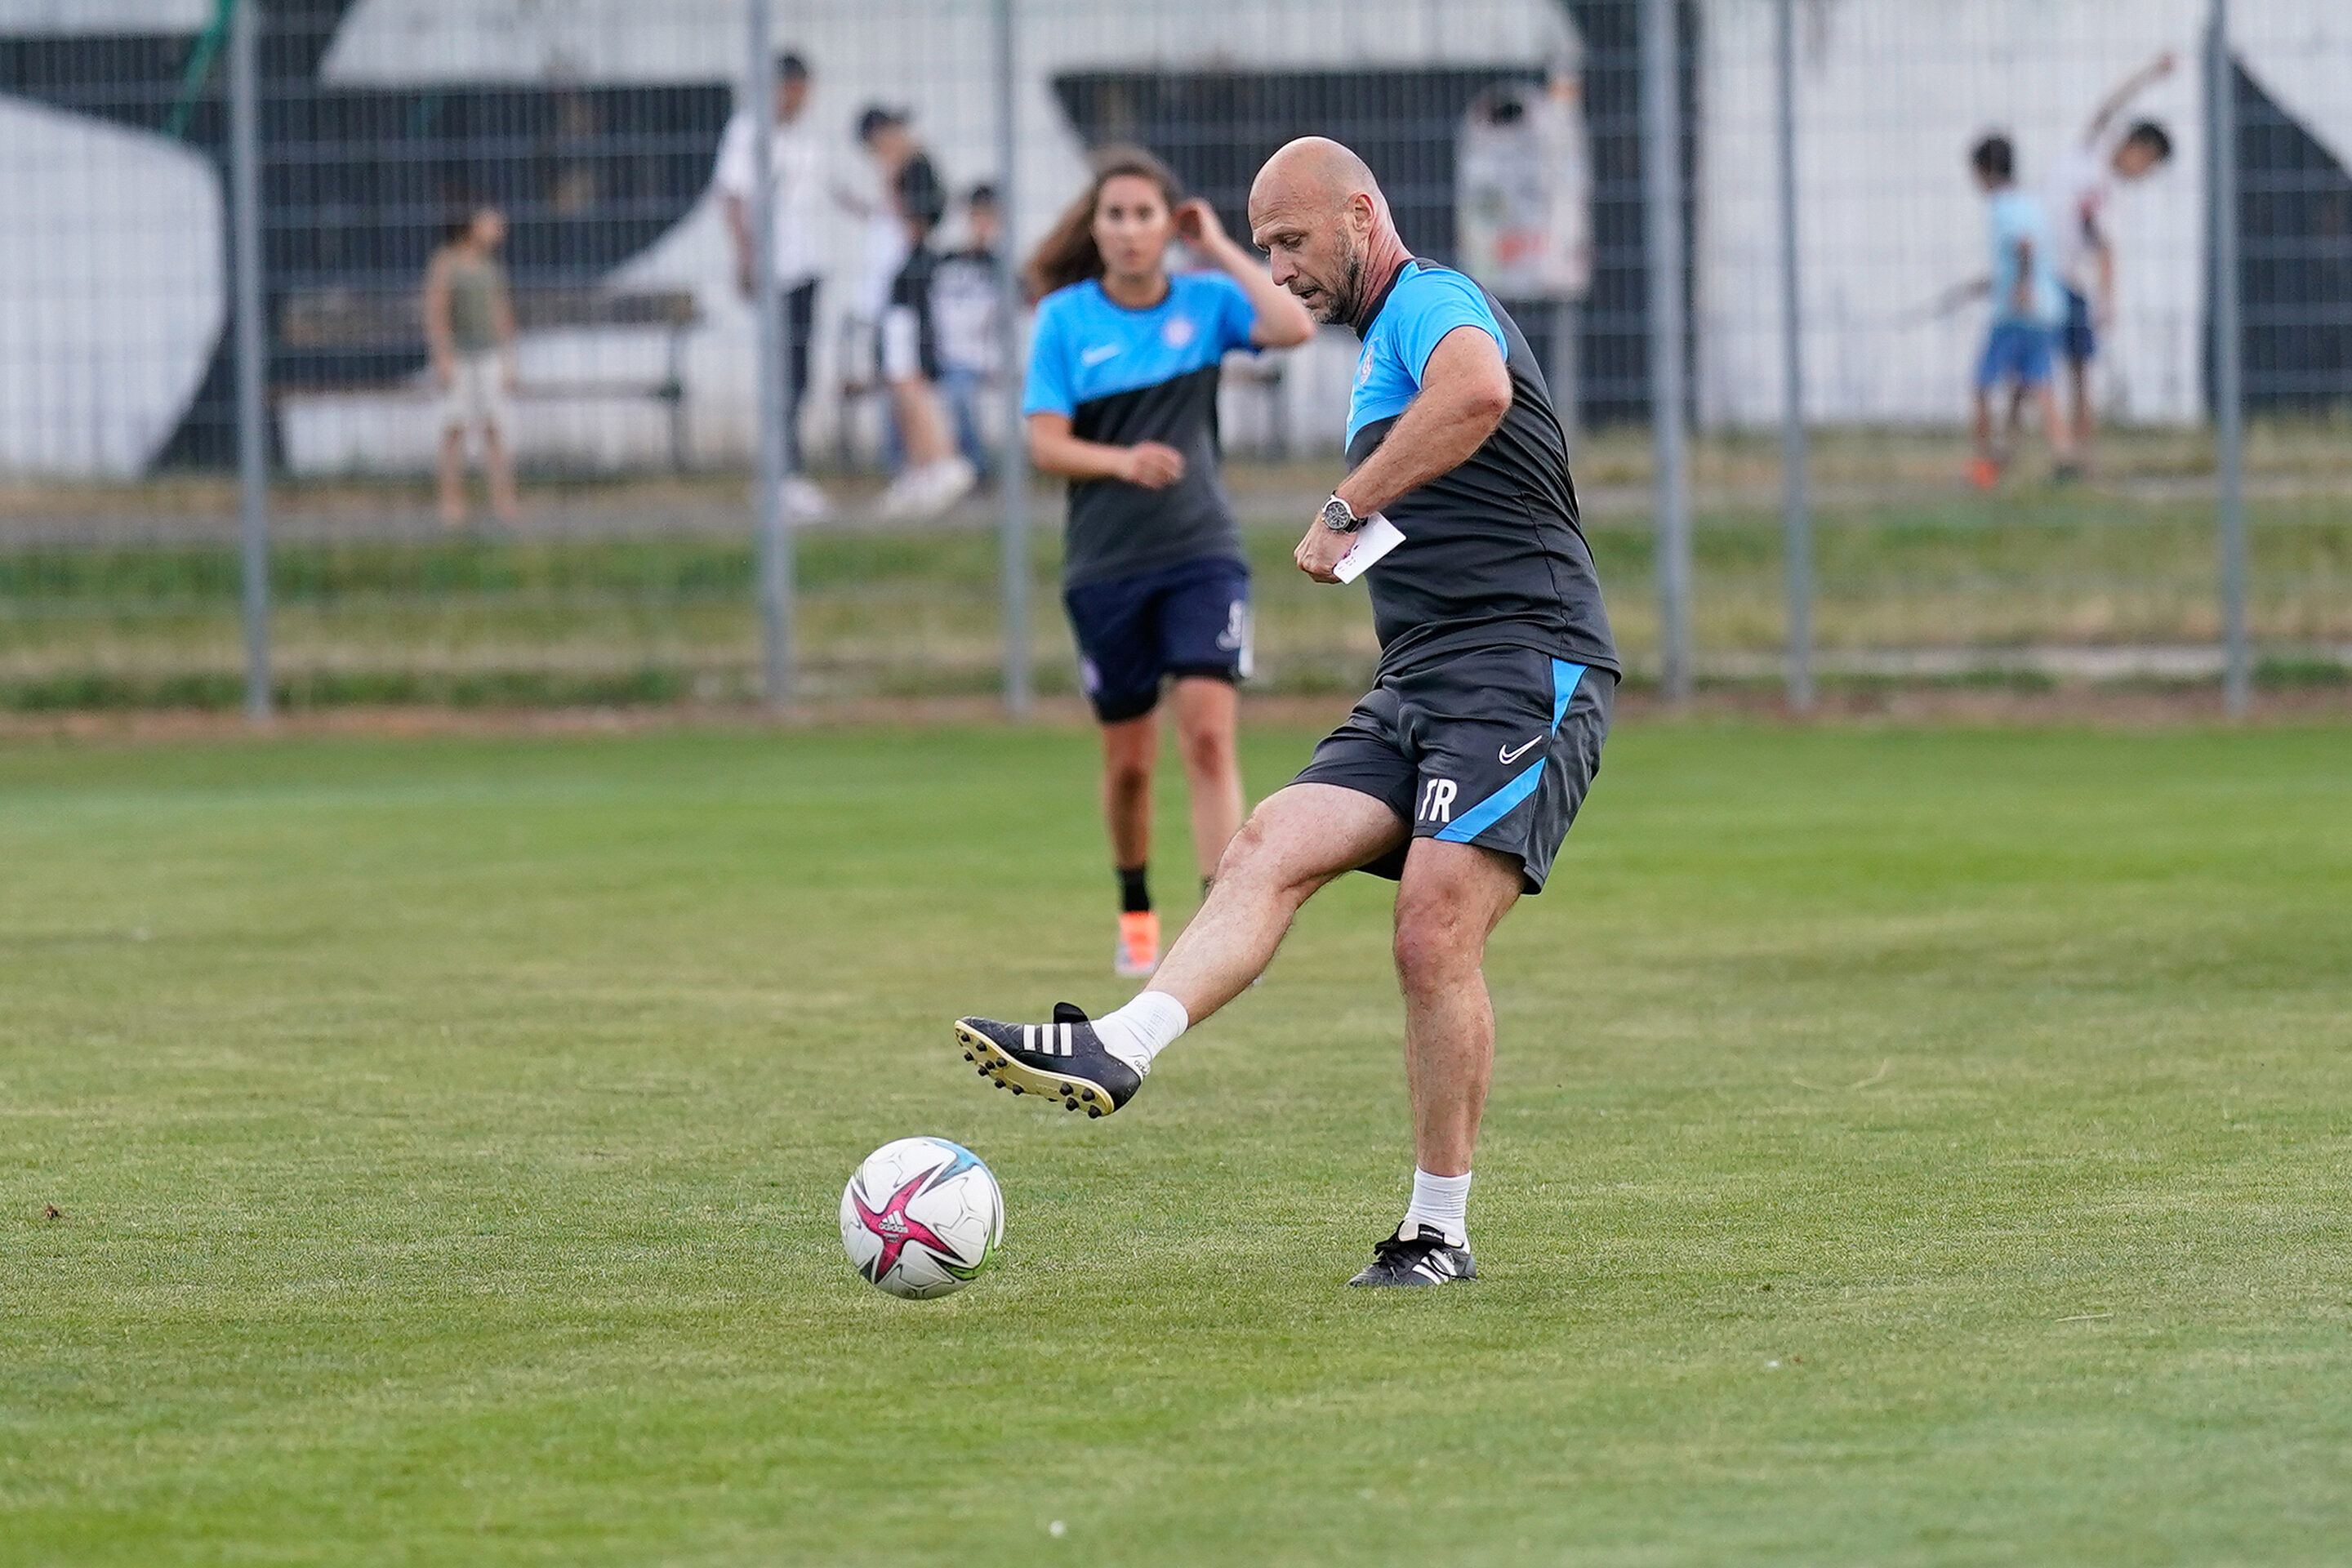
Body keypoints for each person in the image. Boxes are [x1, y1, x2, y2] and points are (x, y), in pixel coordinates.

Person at [953, 137, 1618, 1289]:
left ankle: (1438, 1231)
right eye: (1265, 247)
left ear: (1363, 214)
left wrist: (1345, 501)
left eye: (1294, 242)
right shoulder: (1374, 351)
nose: (1282, 267)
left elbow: (1479, 391)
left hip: (1525, 666)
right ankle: (1121, 1046)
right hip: (1419, 677)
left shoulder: (1430, 301)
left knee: (1430, 929)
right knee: (1265, 841)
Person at [1013, 147, 1313, 978]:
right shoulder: (1067, 319)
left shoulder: (1208, 300)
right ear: (1096, 227)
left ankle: (1225, 923)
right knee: (1131, 767)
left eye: (1147, 215)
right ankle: (1137, 911)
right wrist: (1122, 461)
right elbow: (1043, 442)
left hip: (1201, 553)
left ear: (1165, 225)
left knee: (1211, 739)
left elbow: (1291, 328)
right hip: (1105, 568)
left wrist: (1217, 245)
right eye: (1115, 215)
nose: (1131, 230)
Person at [713, 51, 831, 522]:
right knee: (782, 373)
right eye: (796, 90)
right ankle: (781, 475)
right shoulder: (746, 134)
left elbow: (828, 190)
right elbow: (733, 196)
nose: (802, 100)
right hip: (774, 271)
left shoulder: (805, 139)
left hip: (809, 267)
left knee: (800, 372)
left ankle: (789, 472)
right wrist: (746, 257)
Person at [2042, 52, 2176, 455]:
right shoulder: (2090, 154)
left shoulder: (2114, 196)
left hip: (2077, 285)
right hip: (2047, 276)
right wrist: (2150, 73)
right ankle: (2048, 449)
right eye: (2148, 164)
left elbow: (2105, 249)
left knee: (2081, 371)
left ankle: (2081, 453)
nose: (2144, 175)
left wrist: (2107, 299)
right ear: (2136, 148)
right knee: (2034, 370)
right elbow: (2111, 105)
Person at [1967, 134, 2076, 488]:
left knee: (1982, 385)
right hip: (2047, 308)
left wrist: (2021, 286)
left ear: (1984, 170)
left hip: (2018, 312)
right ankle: (2063, 456)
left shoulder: (2002, 206)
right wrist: (1994, 282)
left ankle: (1984, 464)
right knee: (2038, 385)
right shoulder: (2030, 203)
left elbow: (2024, 245)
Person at [874, 149, 979, 519]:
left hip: (907, 313)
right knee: (903, 388)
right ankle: (919, 472)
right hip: (902, 308)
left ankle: (945, 461)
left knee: (910, 384)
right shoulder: (906, 248)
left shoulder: (912, 247)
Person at [422, 206, 519, 528]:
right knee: (455, 428)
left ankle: (503, 500)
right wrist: (443, 357)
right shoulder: (447, 262)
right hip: (460, 358)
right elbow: (436, 312)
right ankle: (451, 502)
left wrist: (509, 360)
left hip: (489, 356)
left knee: (494, 427)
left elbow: (502, 312)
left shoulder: (491, 267)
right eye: (490, 222)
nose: (498, 227)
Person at [930, 185, 1004, 481]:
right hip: (943, 356)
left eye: (989, 218)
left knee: (959, 393)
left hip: (979, 360)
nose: (982, 225)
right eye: (977, 217)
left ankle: (974, 472)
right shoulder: (946, 262)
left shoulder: (1001, 268)